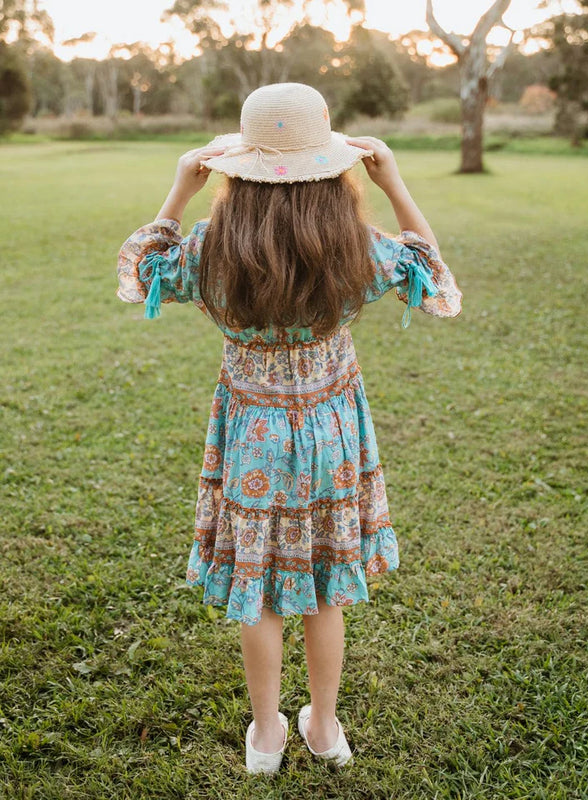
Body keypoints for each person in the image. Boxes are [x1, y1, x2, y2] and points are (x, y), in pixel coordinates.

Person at [116, 82, 462, 775]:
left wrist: (180, 188)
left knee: (261, 590)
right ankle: (325, 729)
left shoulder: (212, 248)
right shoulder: (355, 247)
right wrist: (393, 182)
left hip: (251, 436)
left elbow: (139, 273)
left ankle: (269, 734)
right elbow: (436, 284)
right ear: (329, 168)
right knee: (324, 587)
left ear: (238, 169)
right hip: (332, 437)